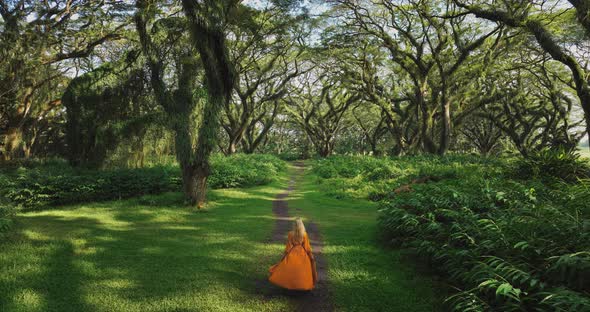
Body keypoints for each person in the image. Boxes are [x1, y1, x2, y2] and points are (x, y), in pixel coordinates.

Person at [269, 218, 317, 290]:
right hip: (302, 253)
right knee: (303, 271)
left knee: (289, 269)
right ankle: (303, 285)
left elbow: (288, 247)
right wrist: (311, 256)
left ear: (294, 225)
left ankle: (290, 284)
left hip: (292, 252)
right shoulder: (304, 234)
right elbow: (307, 247)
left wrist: (285, 255)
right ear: (302, 225)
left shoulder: (290, 234)